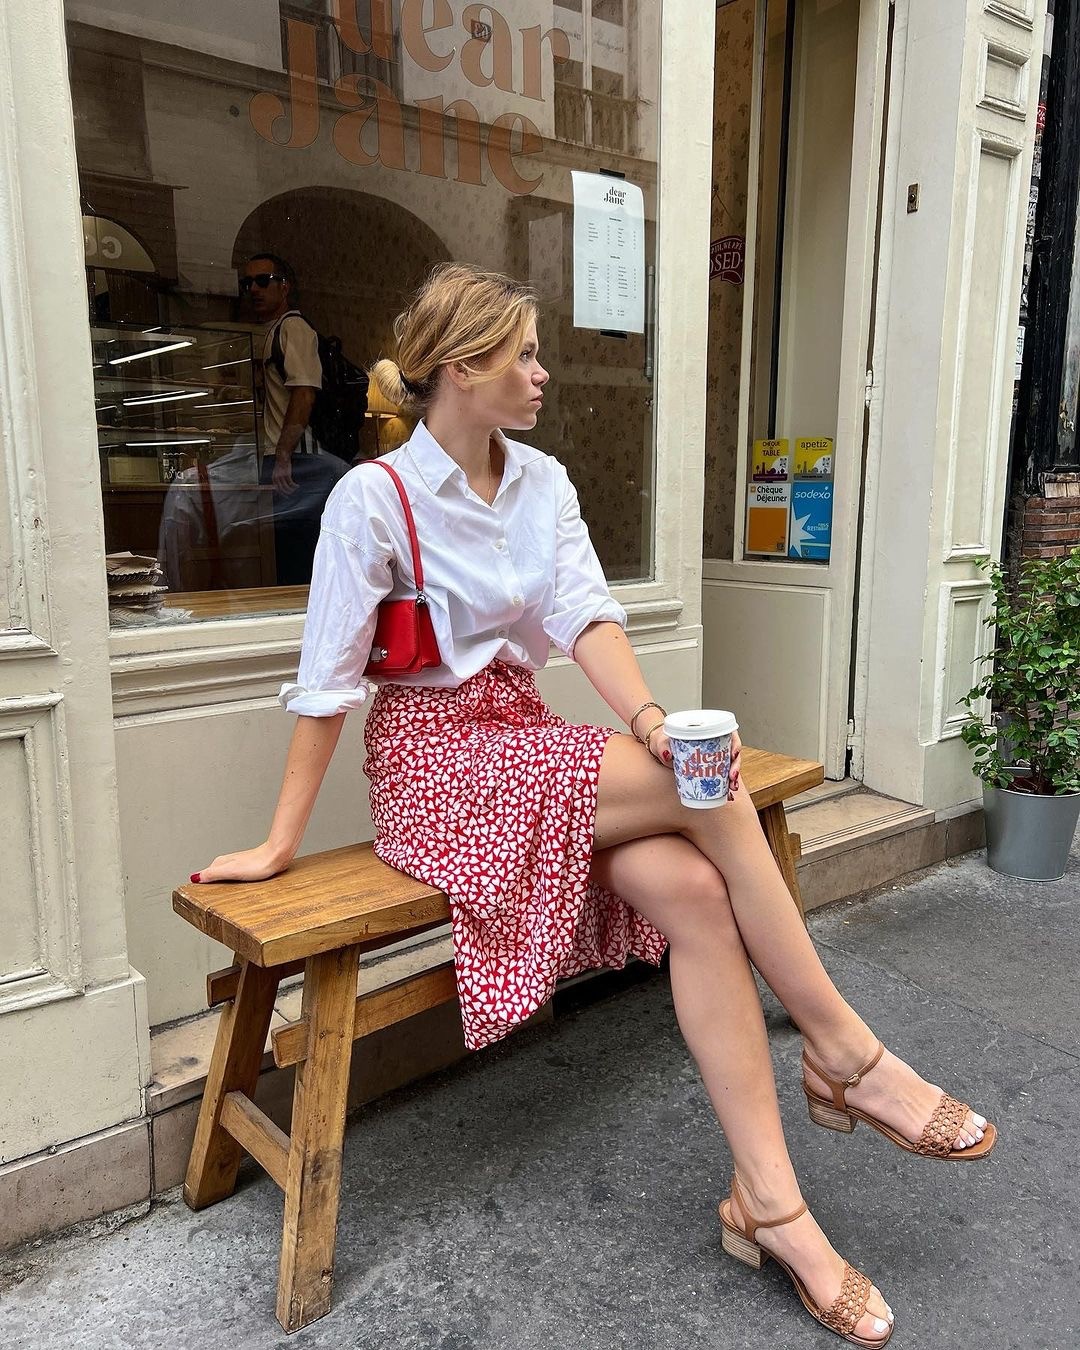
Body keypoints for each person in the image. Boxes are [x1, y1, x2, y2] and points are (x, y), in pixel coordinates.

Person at [193, 263, 994, 1347]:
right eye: (521, 352)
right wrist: (280, 842)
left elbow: (584, 618)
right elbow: (330, 682)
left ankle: (771, 1204)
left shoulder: (543, 483)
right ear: (463, 368)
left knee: (699, 889)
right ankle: (847, 1053)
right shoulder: (372, 500)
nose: (540, 369)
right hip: (436, 773)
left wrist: (653, 722)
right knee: (707, 789)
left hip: (526, 742)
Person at [240, 252, 345, 583]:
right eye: (247, 283)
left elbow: (304, 392)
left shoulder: (294, 328)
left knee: (295, 548)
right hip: (281, 456)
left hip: (297, 459)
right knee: (281, 546)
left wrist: (284, 454)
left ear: (284, 286)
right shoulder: (272, 331)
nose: (253, 289)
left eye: (262, 281)